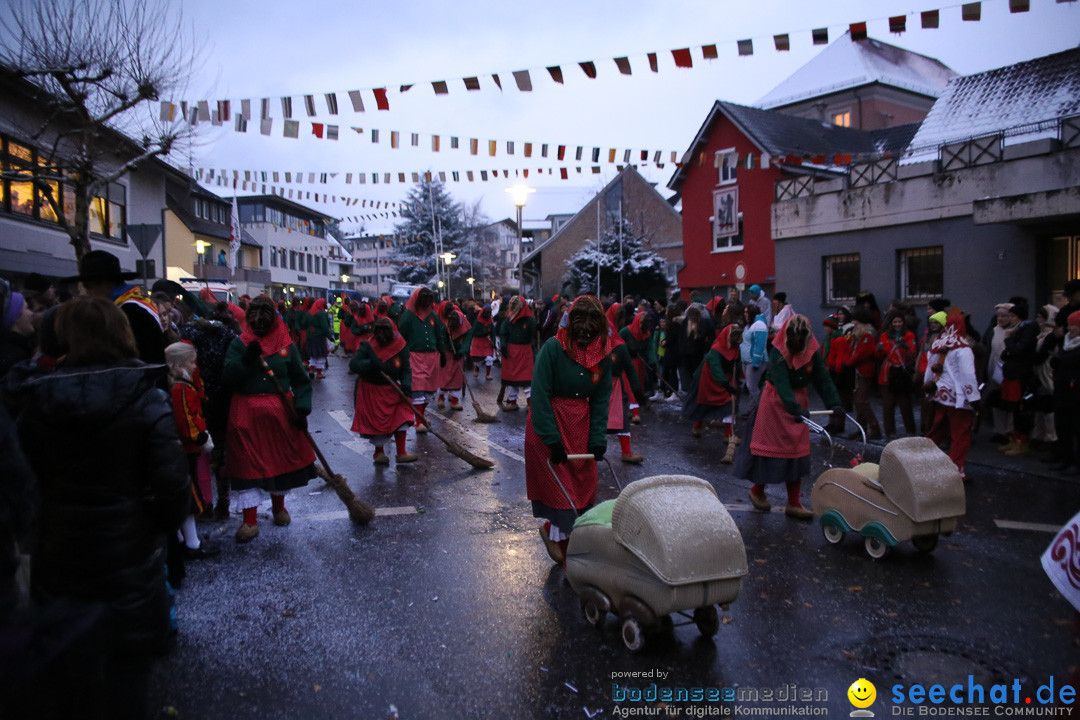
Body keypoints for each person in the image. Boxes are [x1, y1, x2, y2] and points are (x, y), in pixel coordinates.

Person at [11, 295, 189, 718]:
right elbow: (172, 491)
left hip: (59, 558)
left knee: (72, 679)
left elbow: (20, 487)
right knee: (128, 677)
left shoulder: (33, 400)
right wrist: (148, 526)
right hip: (129, 557)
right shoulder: (146, 397)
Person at [222, 296, 316, 543]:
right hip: (246, 414)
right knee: (246, 464)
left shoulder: (286, 345)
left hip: (279, 414)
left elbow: (300, 379)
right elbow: (228, 377)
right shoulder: (239, 344)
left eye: (264, 317)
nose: (258, 322)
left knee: (278, 461)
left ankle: (278, 508)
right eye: (254, 317)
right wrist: (246, 361)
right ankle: (249, 520)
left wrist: (302, 409)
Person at [527, 296, 612, 565]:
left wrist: (597, 438)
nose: (586, 329)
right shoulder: (553, 349)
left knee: (581, 491)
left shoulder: (602, 355)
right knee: (562, 494)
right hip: (551, 423)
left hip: (581, 428)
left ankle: (558, 537)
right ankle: (568, 558)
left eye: (592, 322)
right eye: (580, 321)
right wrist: (551, 438)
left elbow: (600, 399)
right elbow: (539, 394)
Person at [733, 315, 843, 519]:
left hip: (797, 403)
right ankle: (757, 491)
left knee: (796, 452)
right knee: (768, 452)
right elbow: (781, 381)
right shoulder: (777, 351)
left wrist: (834, 403)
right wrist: (793, 406)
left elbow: (822, 378)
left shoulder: (812, 350)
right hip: (774, 402)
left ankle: (793, 502)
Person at [164, 342, 220, 564]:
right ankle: (191, 543)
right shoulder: (181, 389)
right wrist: (202, 438)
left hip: (182, 448)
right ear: (179, 364)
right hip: (186, 448)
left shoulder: (179, 385)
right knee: (189, 496)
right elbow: (186, 420)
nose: (195, 366)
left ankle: (183, 539)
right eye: (191, 362)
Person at [350, 318, 418, 464]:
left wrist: (406, 385)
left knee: (403, 414)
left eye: (385, 330)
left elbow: (405, 369)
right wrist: (370, 364)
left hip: (392, 388)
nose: (381, 334)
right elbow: (354, 364)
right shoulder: (367, 345)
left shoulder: (400, 346)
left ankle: (401, 452)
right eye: (378, 330)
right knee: (377, 424)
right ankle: (379, 453)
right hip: (372, 390)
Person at [923, 312, 982, 481]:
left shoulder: (937, 343)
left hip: (940, 393)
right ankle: (956, 469)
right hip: (958, 396)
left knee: (938, 428)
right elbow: (967, 375)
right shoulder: (963, 348)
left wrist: (928, 389)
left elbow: (929, 369)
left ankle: (921, 457)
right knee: (960, 433)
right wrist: (974, 398)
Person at [684, 321, 741, 463]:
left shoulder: (734, 348)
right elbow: (716, 368)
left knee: (729, 404)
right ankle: (698, 425)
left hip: (725, 379)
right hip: (708, 378)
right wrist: (726, 385)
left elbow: (735, 365)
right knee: (703, 403)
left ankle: (729, 434)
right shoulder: (716, 350)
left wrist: (734, 381)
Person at [396, 287, 446, 431]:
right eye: (424, 297)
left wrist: (442, 352)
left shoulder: (433, 315)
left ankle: (421, 414)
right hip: (414, 356)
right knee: (418, 390)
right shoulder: (408, 316)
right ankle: (419, 422)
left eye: (429, 297)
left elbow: (439, 334)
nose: (427, 300)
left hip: (431, 356)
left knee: (429, 391)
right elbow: (401, 338)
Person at [606, 314, 646, 464]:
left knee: (621, 417)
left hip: (614, 386)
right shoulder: (592, 346)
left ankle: (626, 452)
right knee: (593, 419)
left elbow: (630, 369)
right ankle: (588, 453)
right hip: (595, 386)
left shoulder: (619, 347)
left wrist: (637, 392)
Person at [844, 308, 883, 440]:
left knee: (862, 401)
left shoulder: (868, 336)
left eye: (855, 320)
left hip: (864, 372)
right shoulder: (859, 335)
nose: (853, 323)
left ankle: (875, 428)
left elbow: (862, 353)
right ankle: (861, 429)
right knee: (858, 401)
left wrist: (848, 363)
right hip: (858, 372)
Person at [877, 310, 918, 438]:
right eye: (895, 322)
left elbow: (912, 354)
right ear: (891, 323)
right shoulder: (884, 336)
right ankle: (890, 432)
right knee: (888, 404)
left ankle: (910, 430)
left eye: (899, 321)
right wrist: (878, 349)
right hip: (888, 372)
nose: (897, 324)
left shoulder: (909, 335)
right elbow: (879, 356)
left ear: (903, 322)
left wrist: (906, 347)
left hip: (901, 372)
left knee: (904, 403)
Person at [498, 295, 536, 411]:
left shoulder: (530, 320)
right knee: (511, 379)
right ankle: (513, 402)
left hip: (525, 352)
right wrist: (503, 345)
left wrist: (534, 347)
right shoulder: (508, 320)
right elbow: (503, 333)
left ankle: (530, 404)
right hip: (510, 352)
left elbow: (534, 336)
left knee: (527, 379)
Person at [436, 301, 471, 411]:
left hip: (458, 354)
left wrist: (461, 352)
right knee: (443, 375)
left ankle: (455, 400)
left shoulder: (465, 327)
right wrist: (444, 350)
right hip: (447, 353)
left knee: (457, 377)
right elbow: (441, 339)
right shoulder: (445, 326)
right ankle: (441, 397)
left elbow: (467, 341)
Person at [0, 282, 35, 380]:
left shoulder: (18, 349)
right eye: (27, 308)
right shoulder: (15, 358)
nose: (32, 313)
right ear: (15, 318)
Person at [740, 305, 769, 405]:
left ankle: (760, 410)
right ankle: (752, 410)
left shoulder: (759, 325)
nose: (745, 315)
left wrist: (755, 362)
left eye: (747, 312)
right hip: (747, 360)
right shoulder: (749, 325)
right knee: (750, 387)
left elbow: (760, 345)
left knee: (752, 387)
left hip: (755, 361)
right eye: (744, 312)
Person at [305, 297, 334, 380]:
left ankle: (311, 370)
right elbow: (325, 327)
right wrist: (330, 337)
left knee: (313, 354)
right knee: (321, 354)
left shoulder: (309, 313)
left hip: (310, 336)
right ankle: (319, 372)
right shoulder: (321, 314)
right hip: (319, 337)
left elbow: (304, 323)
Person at [470, 305, 496, 380]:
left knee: (489, 358)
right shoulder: (478, 322)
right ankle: (477, 368)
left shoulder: (490, 322)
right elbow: (473, 332)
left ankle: (488, 374)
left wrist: (493, 342)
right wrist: (483, 333)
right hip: (478, 342)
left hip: (487, 342)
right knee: (478, 360)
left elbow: (493, 333)